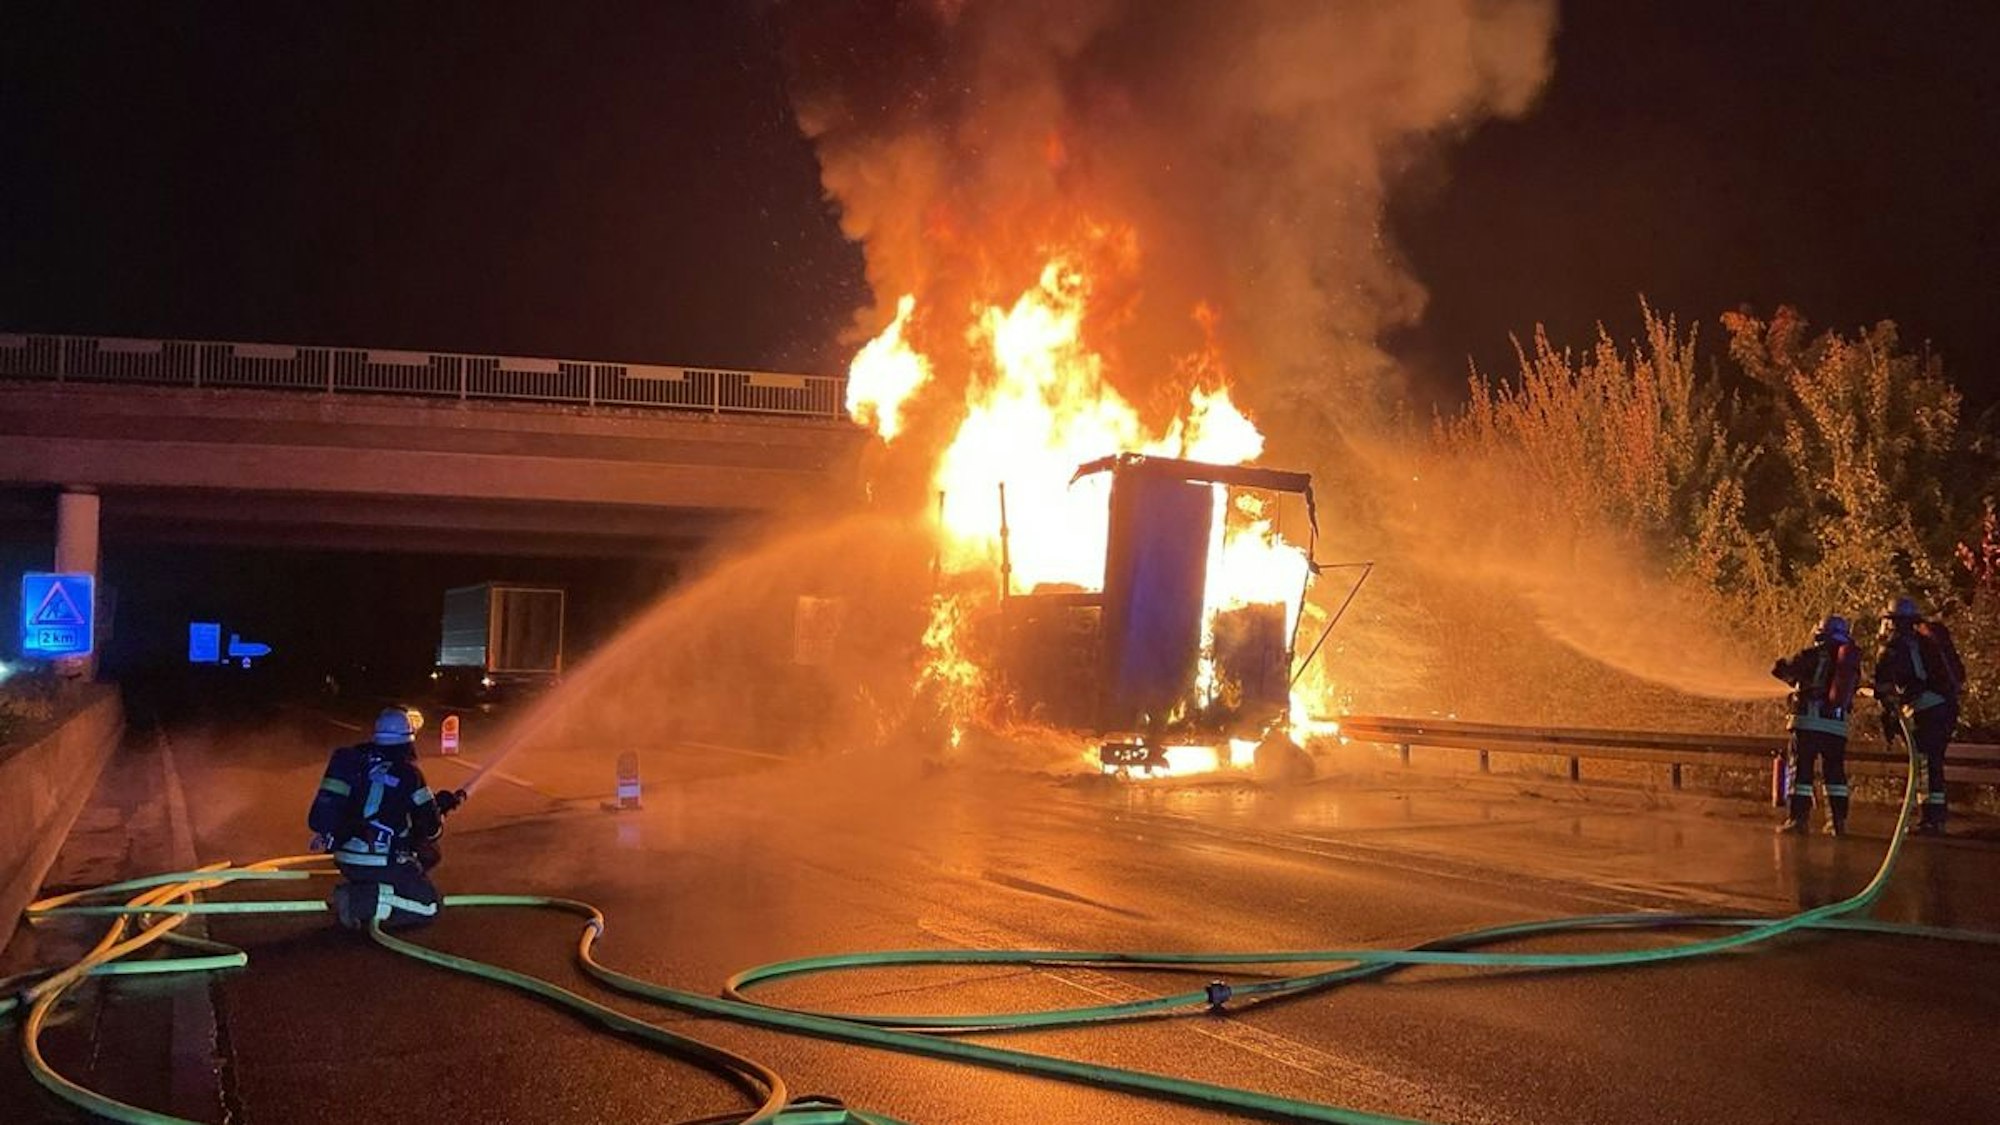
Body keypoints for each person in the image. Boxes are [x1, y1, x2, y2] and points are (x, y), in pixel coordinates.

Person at [308, 707, 466, 928]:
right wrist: (439, 809)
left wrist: (434, 805)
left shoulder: (356, 762)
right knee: (429, 906)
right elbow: (432, 830)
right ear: (408, 740)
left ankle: (368, 890)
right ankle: (357, 901)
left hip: (346, 858)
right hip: (378, 861)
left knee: (421, 858)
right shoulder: (408, 773)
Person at [1872, 597, 1964, 835]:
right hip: (1945, 706)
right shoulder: (1924, 642)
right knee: (1932, 763)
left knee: (1925, 763)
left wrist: (1888, 713)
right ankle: (1935, 818)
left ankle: (1931, 821)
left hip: (1926, 710)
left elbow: (1884, 688)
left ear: (1893, 622)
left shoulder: (1894, 647)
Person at [1770, 614, 1863, 835]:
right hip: (1836, 728)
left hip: (1808, 724)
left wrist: (1781, 666)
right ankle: (1837, 823)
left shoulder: (1809, 656)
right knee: (1835, 776)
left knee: (1801, 773)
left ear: (1819, 634)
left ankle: (1798, 820)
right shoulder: (1848, 663)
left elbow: (1782, 670)